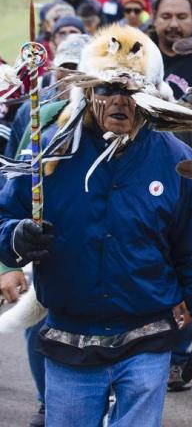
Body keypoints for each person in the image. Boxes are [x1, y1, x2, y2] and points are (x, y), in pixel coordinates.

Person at [0, 25, 192, 427]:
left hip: (146, 338)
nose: (120, 101)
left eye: (132, 90)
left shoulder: (177, 160)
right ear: (88, 91)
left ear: (152, 95)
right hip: (70, 338)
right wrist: (14, 238)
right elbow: (3, 217)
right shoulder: (49, 153)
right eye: (107, 89)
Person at [0, 32, 90, 427]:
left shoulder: (104, 118)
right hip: (38, 242)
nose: (71, 79)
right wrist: (7, 263)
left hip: (87, 246)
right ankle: (44, 400)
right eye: (65, 69)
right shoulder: (33, 115)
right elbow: (11, 185)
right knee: (35, 320)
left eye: (79, 71)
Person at [150, 0, 192, 100]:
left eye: (182, 17)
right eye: (166, 17)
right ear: (154, 19)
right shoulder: (139, 55)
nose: (174, 24)